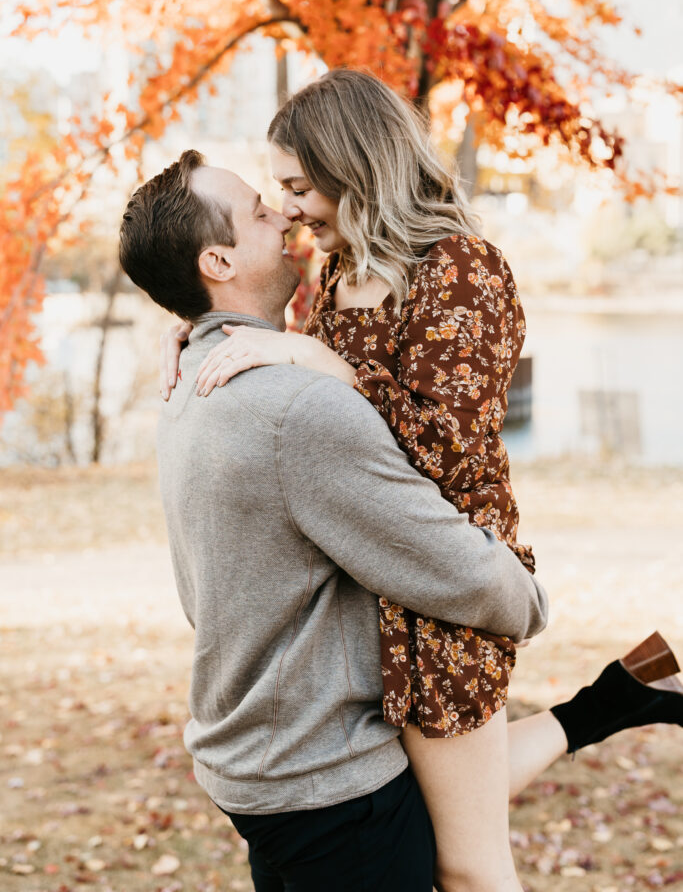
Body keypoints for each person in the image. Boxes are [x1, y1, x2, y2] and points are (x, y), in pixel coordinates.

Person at [160, 69, 683, 892]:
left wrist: (324, 362)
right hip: (368, 590)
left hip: (442, 595)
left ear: (355, 167)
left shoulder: (461, 270)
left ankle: (618, 699)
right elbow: (293, 396)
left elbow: (445, 449)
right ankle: (618, 698)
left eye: (299, 187)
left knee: (469, 863)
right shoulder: (338, 274)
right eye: (278, 192)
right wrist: (203, 330)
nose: (289, 209)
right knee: (432, 806)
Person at [118, 150, 551, 892]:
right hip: (328, 781)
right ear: (218, 260)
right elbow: (456, 570)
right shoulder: (296, 407)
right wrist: (528, 599)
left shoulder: (192, 369)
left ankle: (607, 704)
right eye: (261, 210)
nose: (284, 212)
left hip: (255, 761)